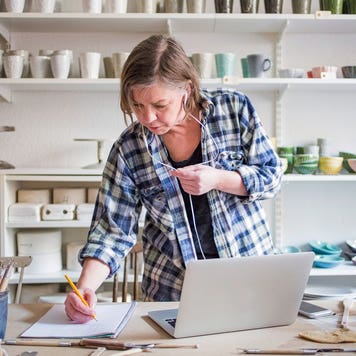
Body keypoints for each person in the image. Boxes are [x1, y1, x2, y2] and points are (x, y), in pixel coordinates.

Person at [64, 34, 283, 323]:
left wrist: (219, 178)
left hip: (248, 277)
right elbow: (112, 231)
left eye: (159, 105)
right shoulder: (129, 149)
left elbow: (271, 175)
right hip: (170, 290)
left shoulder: (233, 110)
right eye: (137, 106)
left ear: (186, 89)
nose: (147, 118)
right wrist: (85, 288)